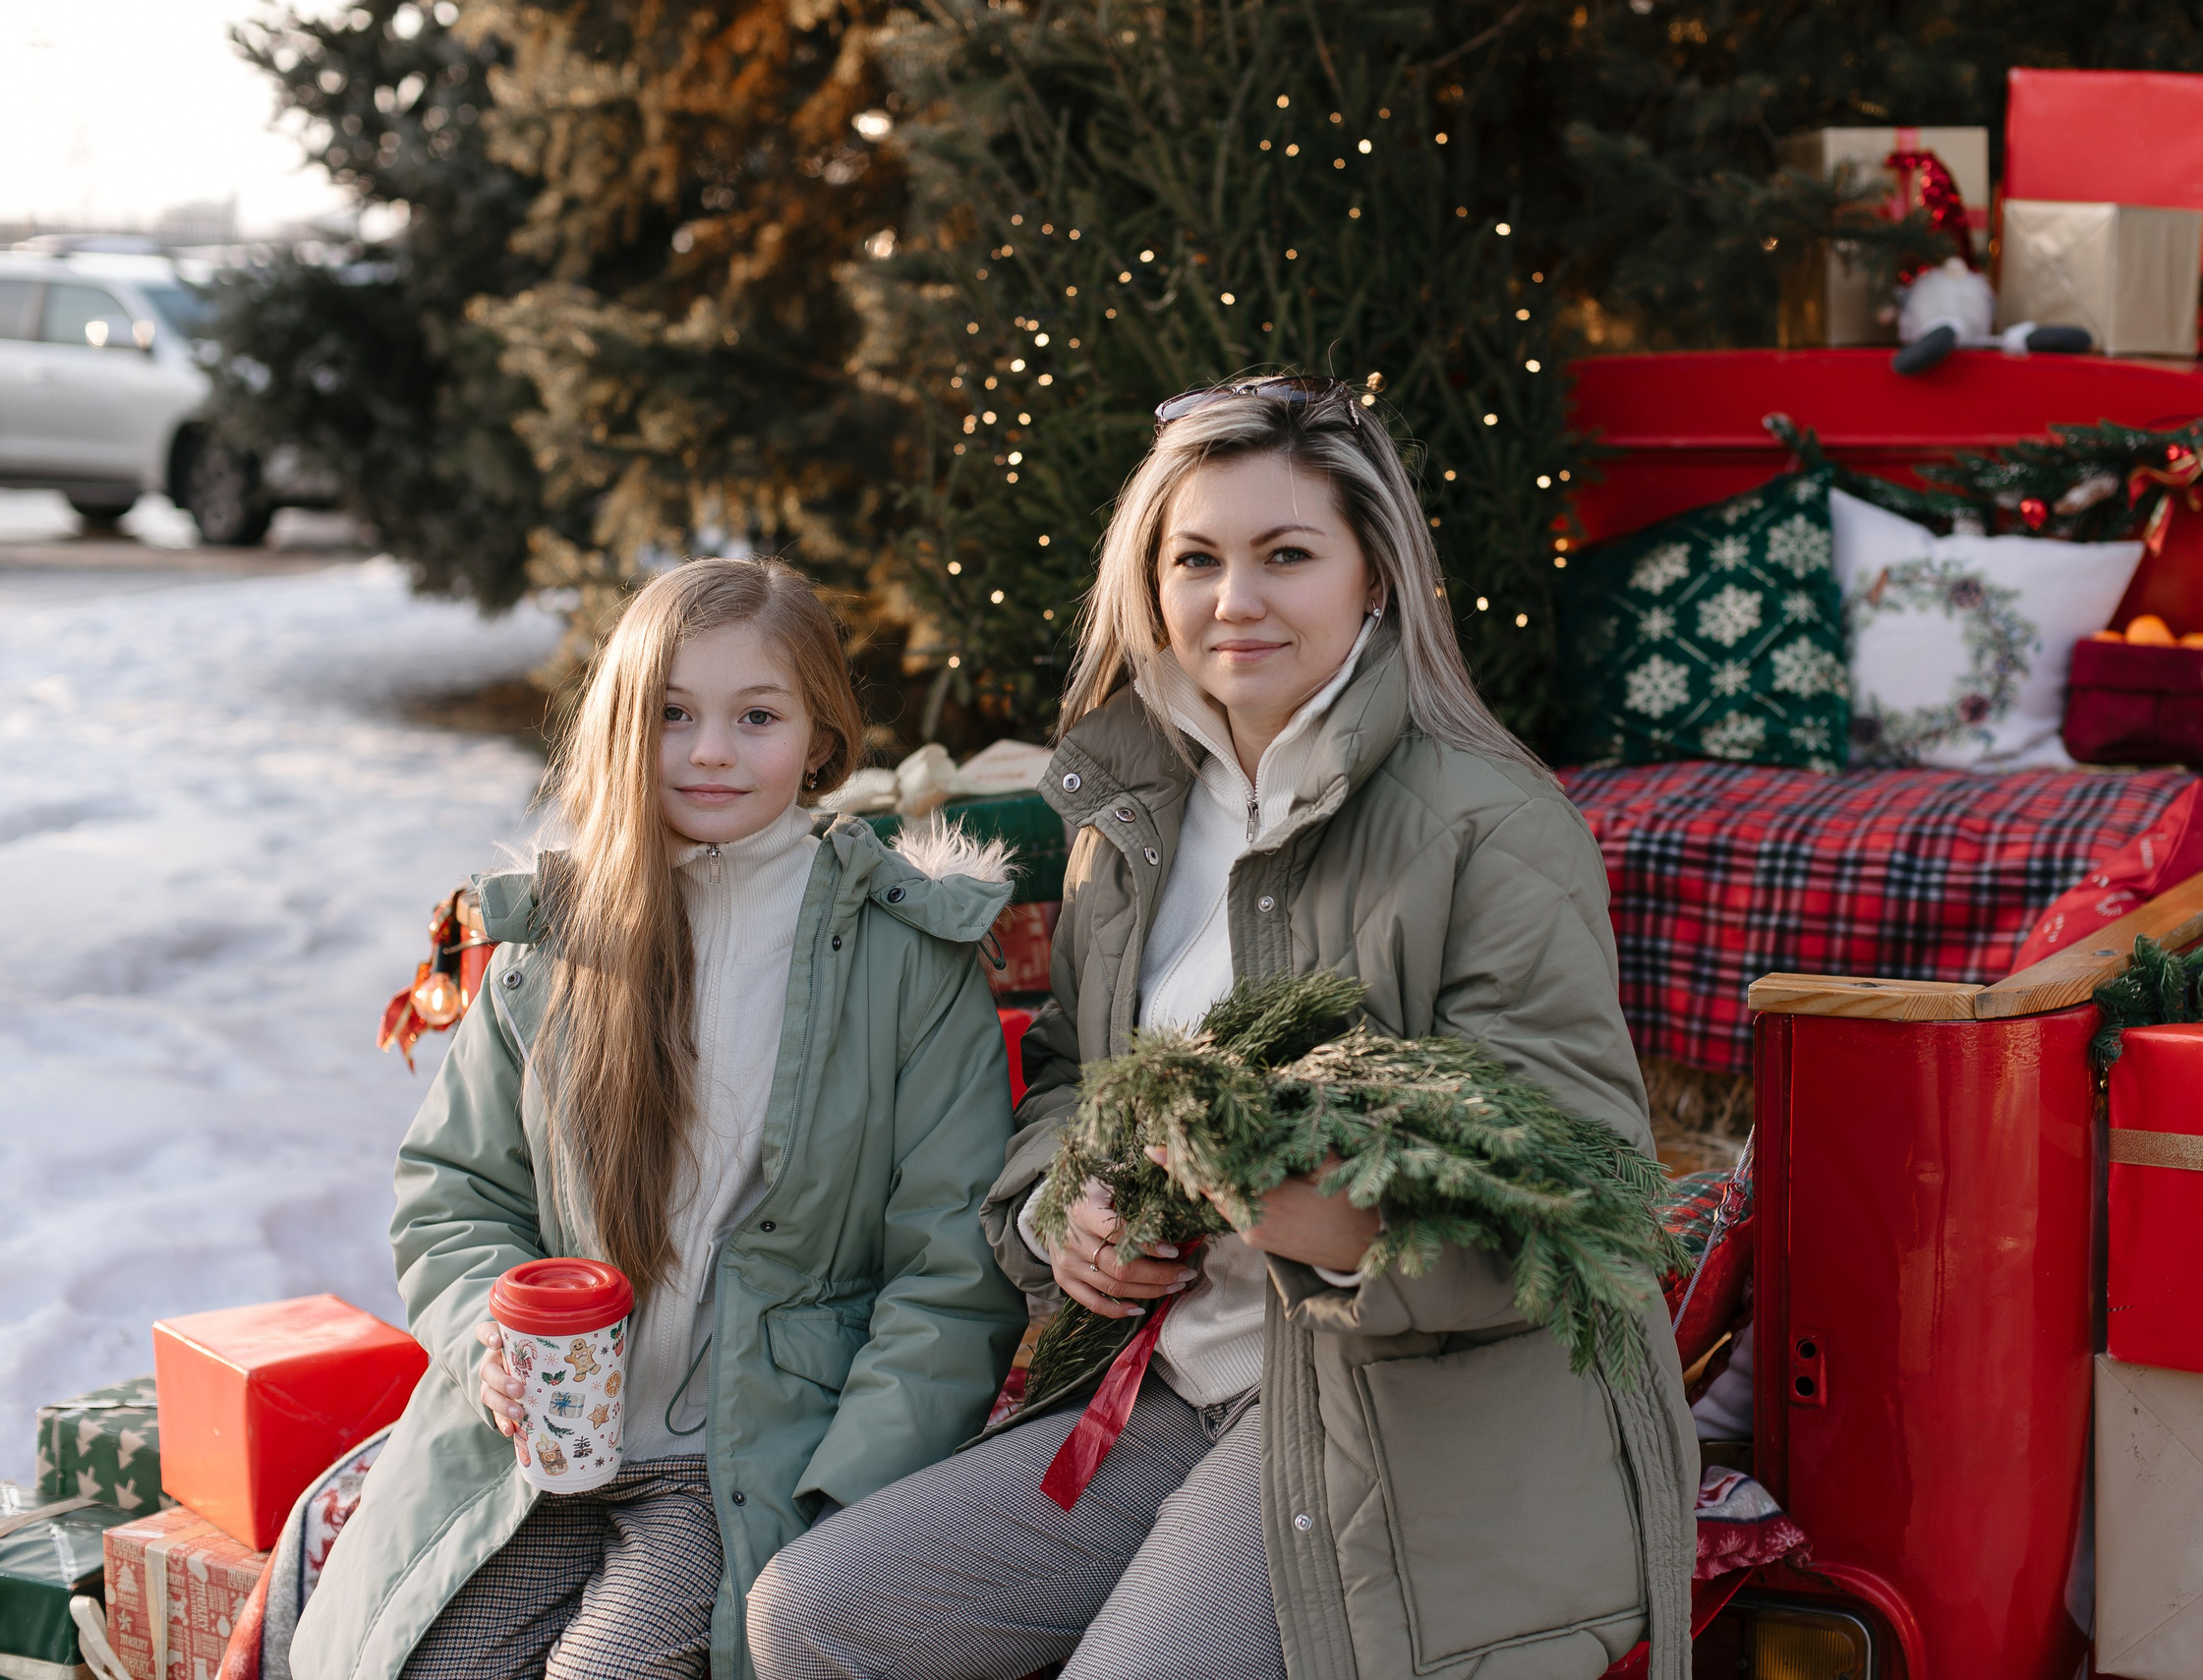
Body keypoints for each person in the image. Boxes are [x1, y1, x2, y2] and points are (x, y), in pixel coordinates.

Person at [748, 378, 1697, 1680]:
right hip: (1169, 1387)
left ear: (1375, 580)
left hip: (1406, 1414)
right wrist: (1070, 1212)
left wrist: (1360, 1234)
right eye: (1195, 558)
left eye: (1286, 555)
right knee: (819, 1612)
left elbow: (1592, 1196)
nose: (1234, 598)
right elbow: (1076, 1086)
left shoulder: (1490, 827)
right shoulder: (1128, 824)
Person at [295, 558, 1028, 1680]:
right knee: (413, 1660)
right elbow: (455, 1190)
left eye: (756, 715)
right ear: (621, 726)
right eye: (672, 714)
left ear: (823, 736)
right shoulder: (551, 942)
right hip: (543, 1442)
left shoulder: (904, 957)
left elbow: (946, 1265)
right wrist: (486, 1344)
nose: (711, 750)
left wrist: (848, 1493)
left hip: (744, 1448)